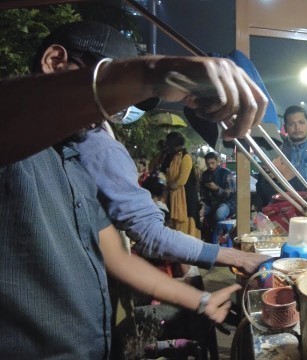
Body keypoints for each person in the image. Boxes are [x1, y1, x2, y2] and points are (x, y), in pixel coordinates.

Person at [0, 21, 268, 358]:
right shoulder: (15, 148)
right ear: (55, 61)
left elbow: (116, 257)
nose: (109, 114)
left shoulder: (72, 156)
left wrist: (199, 299)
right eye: (116, 90)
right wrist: (154, 73)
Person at [161, 131, 202, 239]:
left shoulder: (186, 157)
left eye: (169, 144)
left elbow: (182, 181)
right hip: (174, 195)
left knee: (187, 224)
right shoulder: (172, 157)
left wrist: (170, 186)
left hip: (186, 197)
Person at [200, 151, 236, 243]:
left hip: (225, 203)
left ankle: (219, 237)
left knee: (219, 214)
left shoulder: (226, 173)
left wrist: (217, 188)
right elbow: (203, 194)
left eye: (212, 163)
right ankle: (204, 237)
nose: (210, 166)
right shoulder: (205, 175)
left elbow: (230, 193)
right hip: (209, 203)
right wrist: (202, 205)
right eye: (208, 164)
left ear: (217, 162)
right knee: (196, 212)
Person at [280, 105, 307, 189]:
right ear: (285, 128)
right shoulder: (279, 152)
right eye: (291, 124)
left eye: (301, 122)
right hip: (286, 200)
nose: (297, 128)